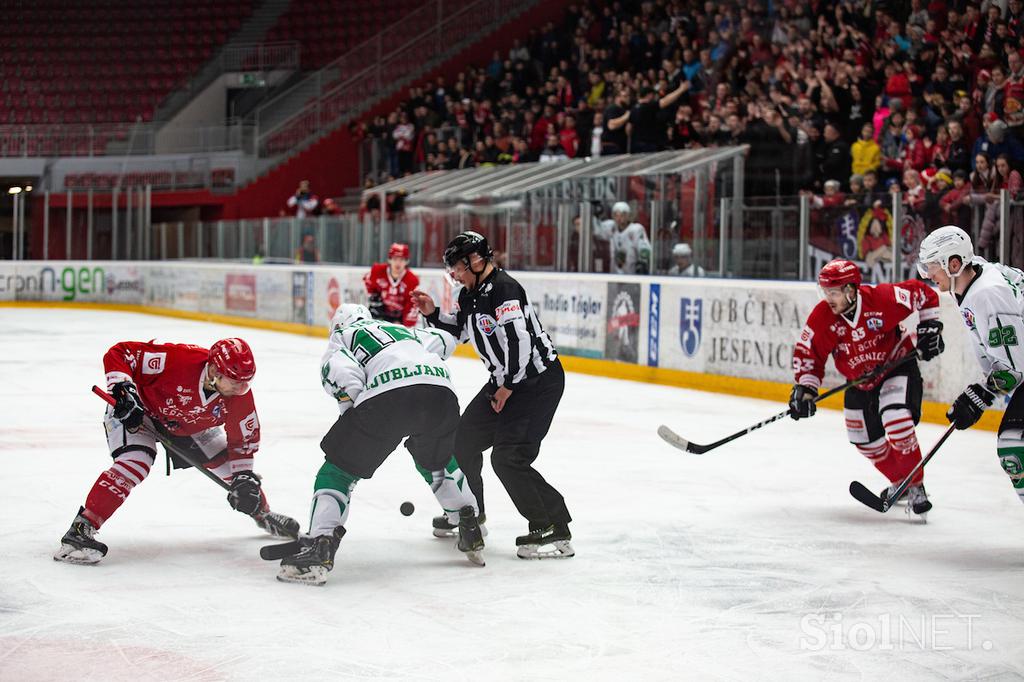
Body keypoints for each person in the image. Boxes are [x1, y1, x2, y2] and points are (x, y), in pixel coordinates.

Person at [276, 304, 484, 585]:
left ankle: (319, 545)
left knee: (337, 471)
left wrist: (352, 421)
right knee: (436, 460)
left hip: (390, 397)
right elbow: (445, 341)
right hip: (442, 395)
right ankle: (469, 523)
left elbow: (341, 373)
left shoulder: (343, 336)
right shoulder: (402, 330)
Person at [55, 338, 297, 565]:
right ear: (214, 371)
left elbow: (242, 443)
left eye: (246, 381)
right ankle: (81, 528)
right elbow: (122, 353)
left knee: (238, 476)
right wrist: (123, 391)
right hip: (140, 414)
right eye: (234, 381)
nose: (242, 387)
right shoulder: (178, 359)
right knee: (137, 461)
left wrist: (245, 481)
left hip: (188, 426)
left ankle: (263, 515)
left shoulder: (238, 394)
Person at [410, 231, 574, 559]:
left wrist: (507, 386)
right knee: (462, 441)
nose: (454, 274)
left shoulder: (505, 289)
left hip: (535, 383)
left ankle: (552, 526)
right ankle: (472, 513)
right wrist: (432, 314)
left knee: (509, 458)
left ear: (476, 260)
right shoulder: (470, 294)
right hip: (508, 380)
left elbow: (520, 342)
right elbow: (462, 331)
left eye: (458, 266)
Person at [789, 260, 944, 521]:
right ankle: (901, 482)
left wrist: (930, 328)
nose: (828, 298)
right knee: (864, 440)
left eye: (834, 292)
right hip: (859, 383)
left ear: (851, 290)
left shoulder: (881, 299)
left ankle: (916, 487)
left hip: (897, 367)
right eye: (825, 291)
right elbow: (809, 354)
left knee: (896, 419)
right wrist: (805, 389)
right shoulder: (823, 317)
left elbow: (923, 293)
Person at [917, 226, 1024, 504]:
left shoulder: (987, 293)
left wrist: (980, 395)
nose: (928, 275)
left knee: (1014, 443)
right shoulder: (970, 277)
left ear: (954, 263)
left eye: (932, 267)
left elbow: (1016, 367)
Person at [363, 242, 420, 327]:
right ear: (390, 259)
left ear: (406, 261)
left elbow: (411, 306)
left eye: (401, 259)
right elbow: (367, 282)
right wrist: (373, 296)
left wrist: (404, 326)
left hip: (399, 319)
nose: (398, 263)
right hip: (381, 314)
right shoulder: (377, 271)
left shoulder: (412, 280)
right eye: (395, 259)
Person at [607, 201, 652, 275]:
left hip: (631, 276)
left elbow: (645, 250)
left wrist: (643, 257)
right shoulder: (611, 227)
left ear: (628, 216)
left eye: (622, 215)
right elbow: (597, 229)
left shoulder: (636, 229)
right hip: (614, 276)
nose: (619, 218)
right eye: (616, 215)